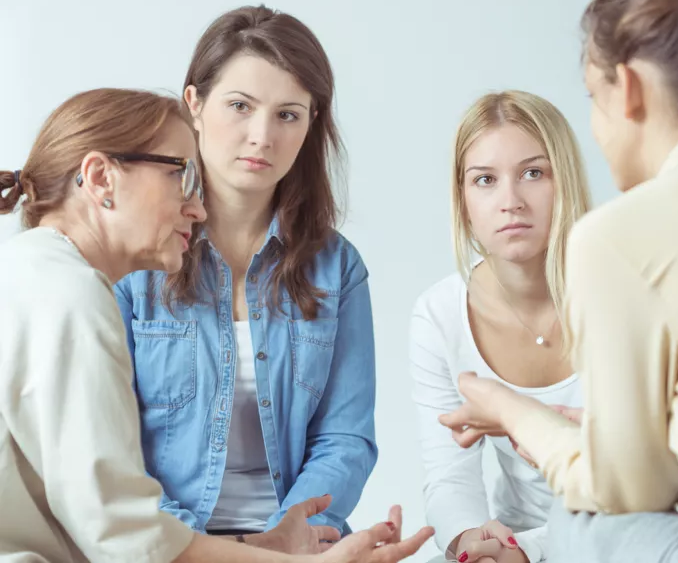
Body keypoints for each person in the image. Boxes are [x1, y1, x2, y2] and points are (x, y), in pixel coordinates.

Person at [0, 87, 432, 563]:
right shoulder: (72, 295)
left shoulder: (31, 272)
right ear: (101, 178)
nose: (198, 208)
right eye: (179, 176)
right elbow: (127, 536)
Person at [439, 0, 678, 561]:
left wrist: (513, 411)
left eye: (592, 96)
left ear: (626, 89)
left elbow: (629, 488)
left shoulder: (619, 234)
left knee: (581, 525)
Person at [113, 4, 377, 540]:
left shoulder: (338, 266)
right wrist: (201, 548)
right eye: (240, 105)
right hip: (167, 545)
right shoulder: (133, 261)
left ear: (310, 125)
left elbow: (345, 438)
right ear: (195, 103)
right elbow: (110, 449)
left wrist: (287, 539)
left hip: (302, 544)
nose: (262, 136)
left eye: (288, 114)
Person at [410, 91, 591, 563]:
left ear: (564, 180)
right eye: (485, 180)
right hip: (512, 542)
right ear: (464, 198)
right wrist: (475, 542)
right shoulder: (440, 314)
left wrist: (525, 551)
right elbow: (450, 476)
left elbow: (642, 484)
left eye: (533, 173)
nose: (510, 201)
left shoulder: (626, 295)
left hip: (625, 534)